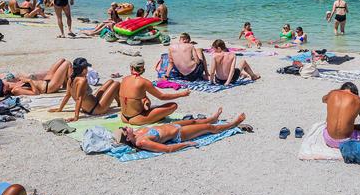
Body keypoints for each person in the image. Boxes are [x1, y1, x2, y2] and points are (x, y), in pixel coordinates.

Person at [116, 110, 248, 153]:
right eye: (124, 130)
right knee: (209, 128)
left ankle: (213, 118)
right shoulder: (142, 142)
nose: (125, 127)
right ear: (128, 138)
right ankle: (233, 124)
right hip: (179, 134)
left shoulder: (137, 132)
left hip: (172, 125)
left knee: (193, 121)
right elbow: (167, 149)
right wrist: (187, 144)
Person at [119, 59, 190, 124]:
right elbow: (162, 97)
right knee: (173, 106)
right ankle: (155, 118)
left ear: (131, 68)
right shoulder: (143, 82)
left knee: (147, 104)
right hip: (137, 118)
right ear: (142, 69)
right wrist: (181, 94)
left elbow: (134, 97)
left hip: (123, 117)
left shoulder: (124, 79)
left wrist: (145, 101)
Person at [49, 59, 121, 119]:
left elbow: (67, 95)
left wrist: (60, 109)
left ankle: (118, 103)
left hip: (90, 105)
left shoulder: (71, 79)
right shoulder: (82, 80)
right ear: (83, 70)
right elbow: (79, 98)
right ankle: (120, 104)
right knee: (116, 84)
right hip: (96, 109)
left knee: (110, 81)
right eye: (86, 68)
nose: (87, 70)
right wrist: (76, 116)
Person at [322, 82, 360, 148]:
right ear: (355, 93)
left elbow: (323, 99)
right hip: (347, 142)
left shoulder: (332, 93)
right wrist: (353, 126)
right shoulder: (358, 100)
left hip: (328, 139)